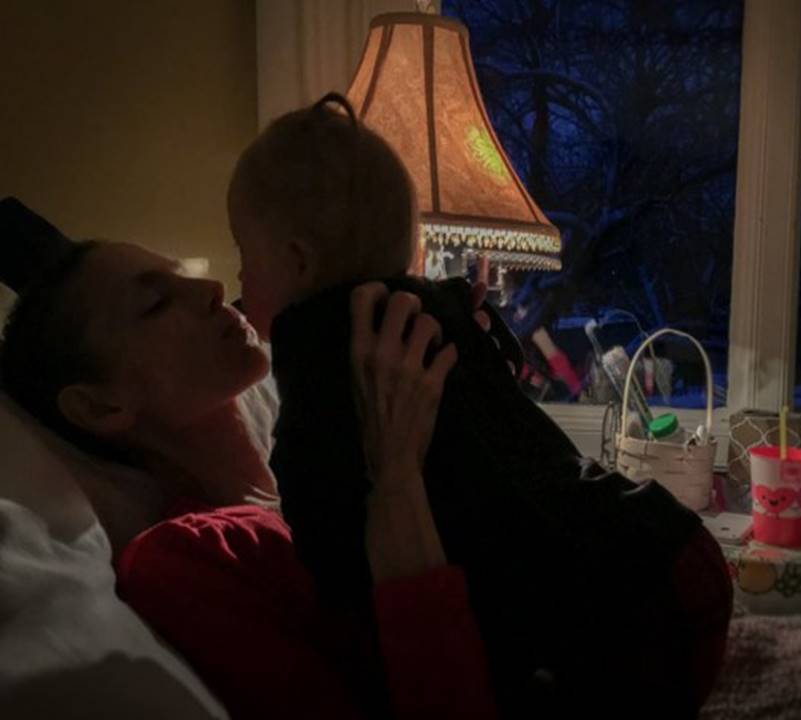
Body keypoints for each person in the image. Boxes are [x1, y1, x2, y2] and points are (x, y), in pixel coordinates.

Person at [227, 93, 731, 716]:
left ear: (297, 261)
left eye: (244, 260)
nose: (235, 284)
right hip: (656, 547)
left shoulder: (320, 369)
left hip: (623, 604)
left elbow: (337, 570)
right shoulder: (445, 315)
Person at [0, 236, 498, 719]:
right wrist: (397, 480)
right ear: (100, 405)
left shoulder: (327, 469)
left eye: (185, 276)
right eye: (155, 303)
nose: (212, 288)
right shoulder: (182, 562)